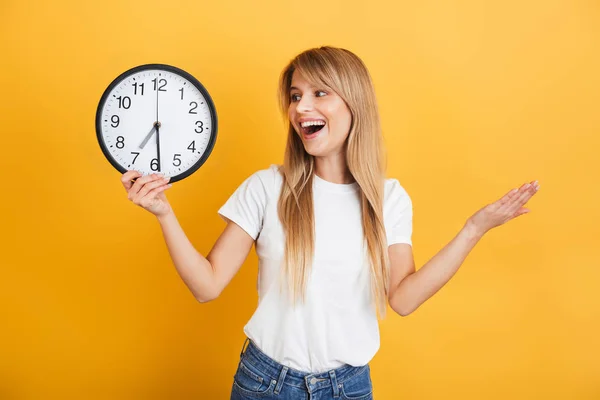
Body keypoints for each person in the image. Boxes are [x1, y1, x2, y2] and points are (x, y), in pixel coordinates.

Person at [120, 46, 540, 400]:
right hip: (264, 383)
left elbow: (404, 299)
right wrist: (164, 213)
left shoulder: (388, 199)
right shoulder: (267, 188)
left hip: (349, 387)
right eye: (295, 95)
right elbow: (206, 286)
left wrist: (473, 229)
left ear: (354, 103)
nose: (301, 107)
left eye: (319, 92)